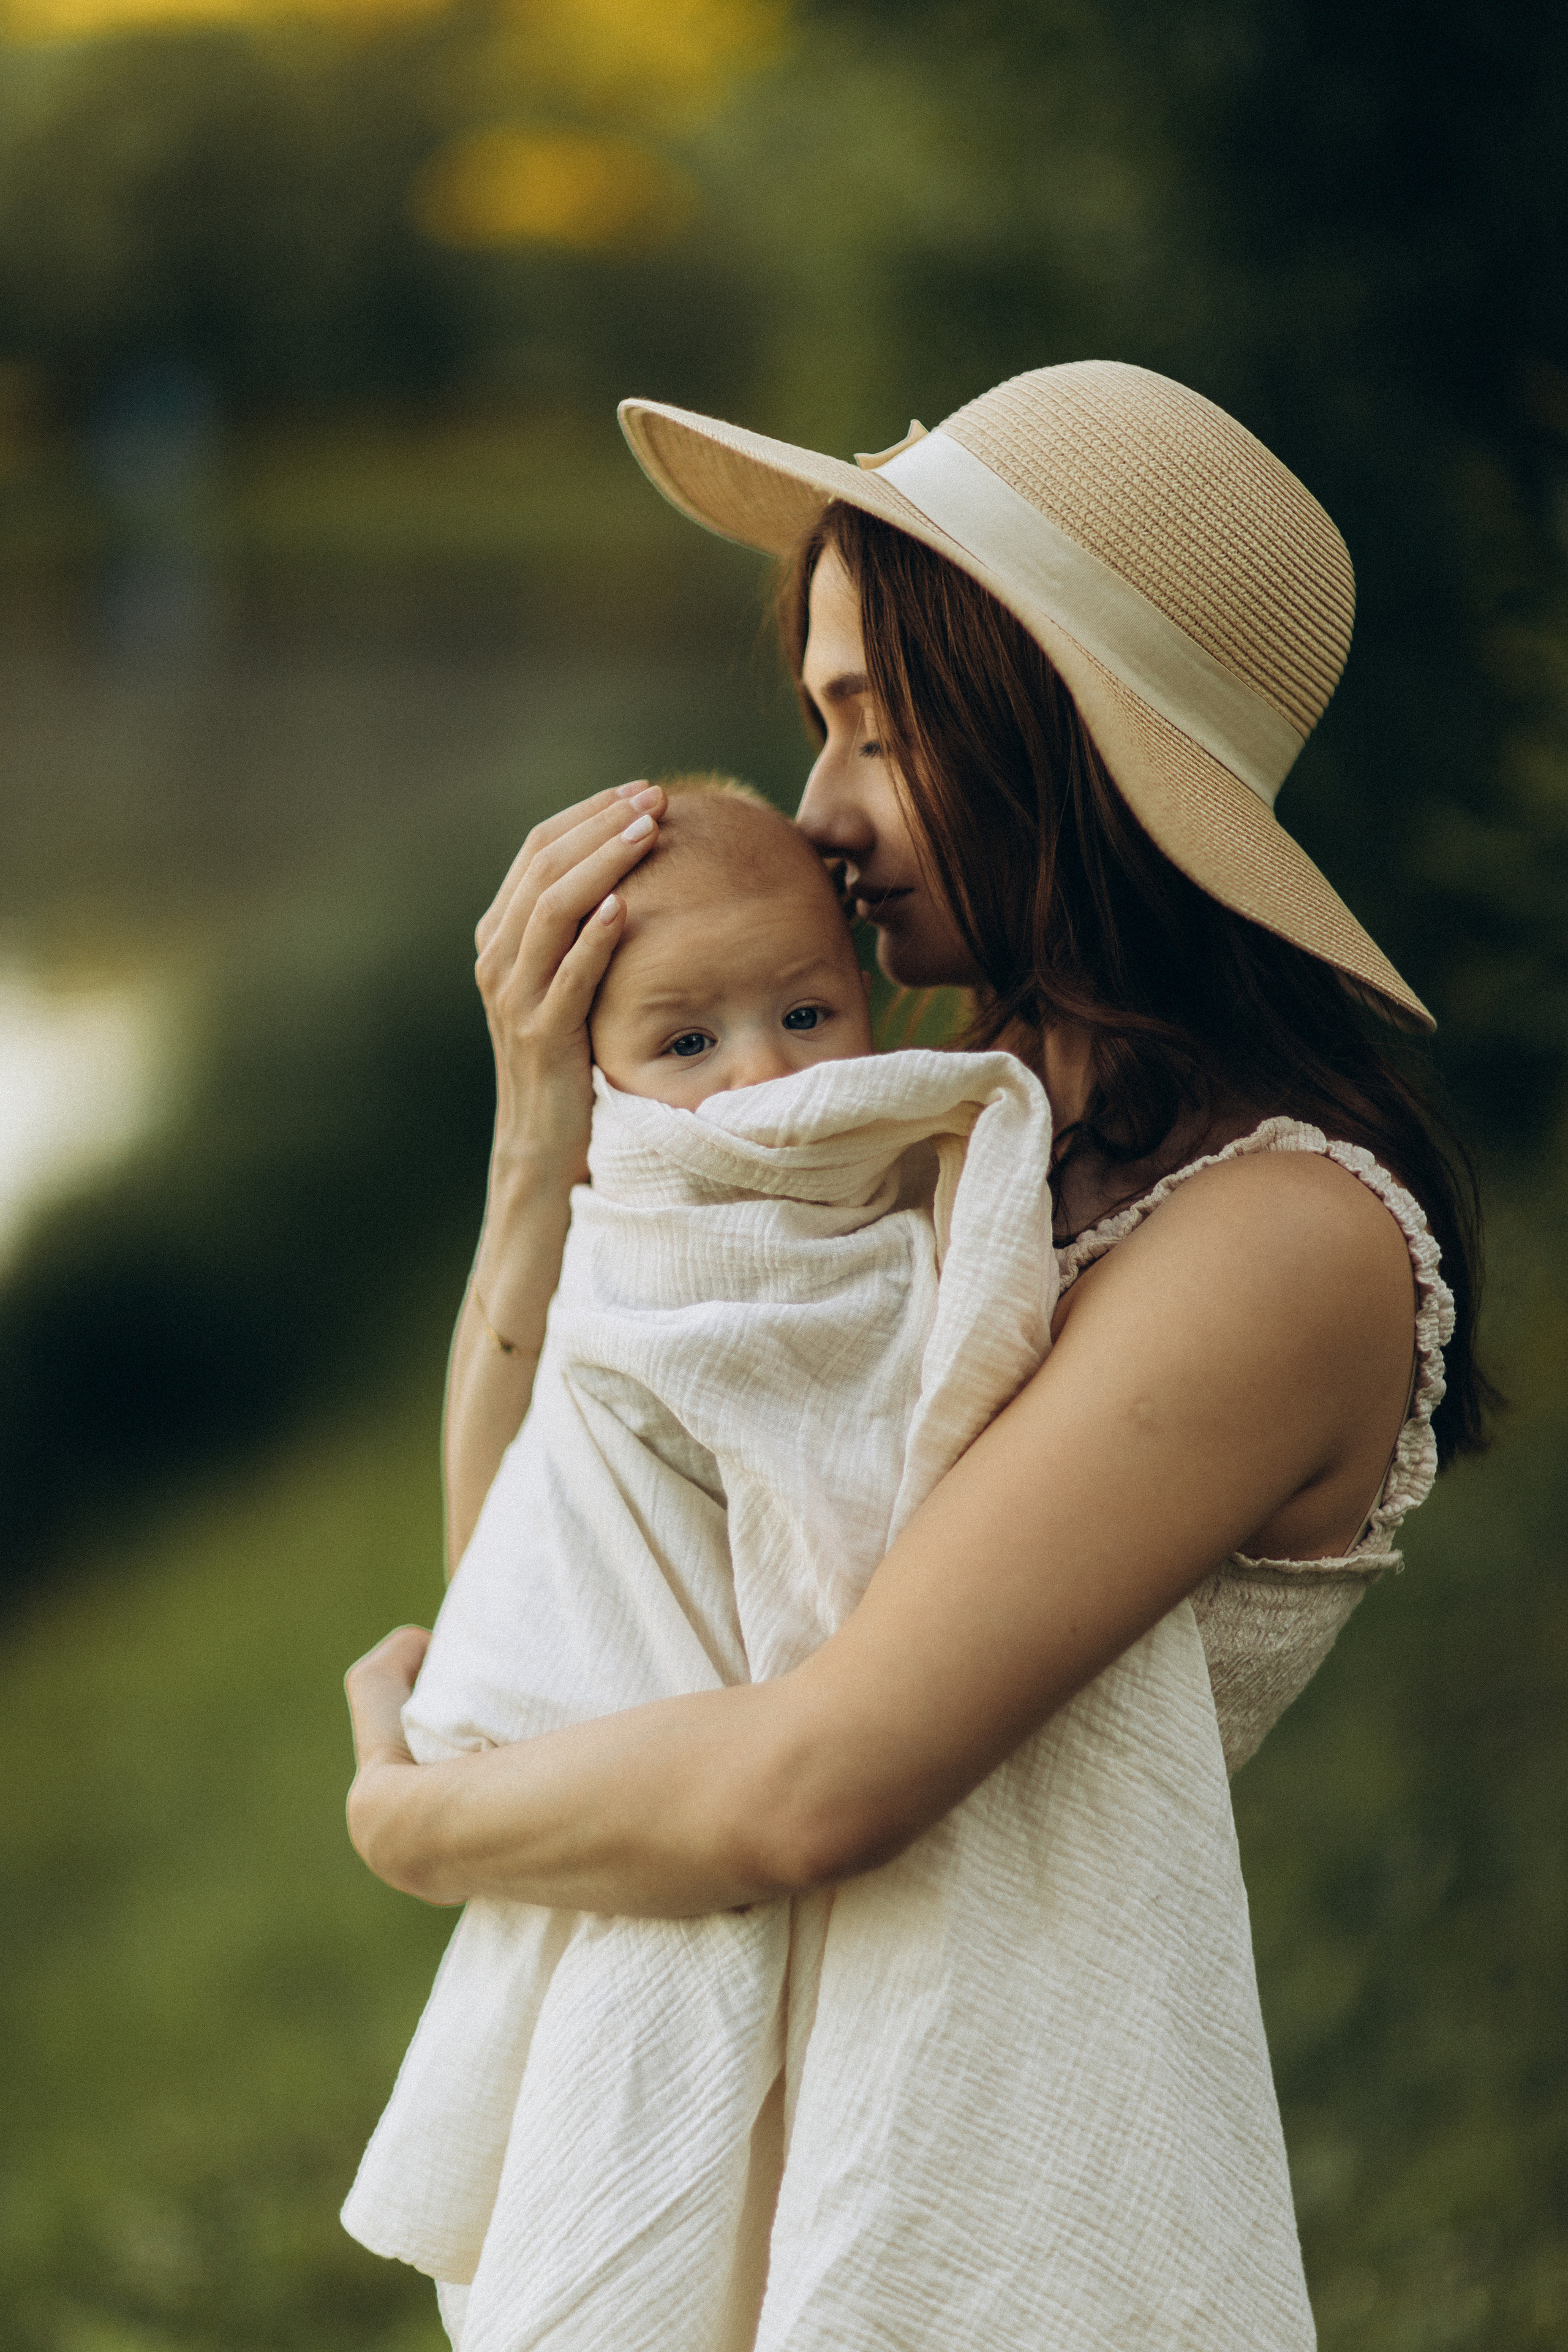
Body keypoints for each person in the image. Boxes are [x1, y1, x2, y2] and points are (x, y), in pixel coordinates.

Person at [344, 361, 1485, 2349]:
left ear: (1065, 733)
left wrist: (413, 1822)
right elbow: (564, 1578)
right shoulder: (924, 1121)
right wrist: (550, 1123)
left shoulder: (1285, 1241)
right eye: (818, 719)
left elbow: (814, 1789)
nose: (817, 814)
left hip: (968, 2185)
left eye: (876, 726)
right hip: (744, 2114)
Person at [344, 776, 1064, 2348]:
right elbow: (527, 1568)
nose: (758, 1082)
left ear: (862, 999)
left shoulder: (951, 1170)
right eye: (683, 1046)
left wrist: (416, 1823)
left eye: (805, 1016)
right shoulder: (646, 1237)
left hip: (859, 1853)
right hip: (673, 1843)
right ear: (602, 1076)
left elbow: (825, 1710)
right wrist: (538, 1143)